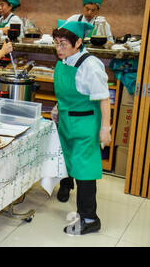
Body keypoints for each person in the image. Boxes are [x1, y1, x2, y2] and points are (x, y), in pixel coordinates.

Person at [51, 19, 112, 235]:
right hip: (67, 121)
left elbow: (104, 99)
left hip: (85, 124)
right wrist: (58, 108)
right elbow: (66, 91)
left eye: (63, 44)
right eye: (56, 43)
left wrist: (106, 128)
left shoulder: (90, 65)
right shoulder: (63, 60)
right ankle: (71, 195)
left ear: (78, 43)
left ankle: (89, 218)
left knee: (85, 171)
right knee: (71, 164)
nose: (59, 49)